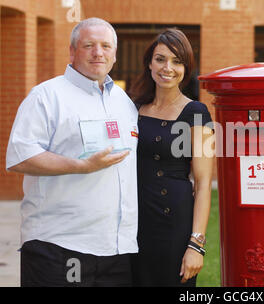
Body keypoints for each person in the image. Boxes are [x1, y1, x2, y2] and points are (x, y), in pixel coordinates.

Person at [6, 18, 139, 287]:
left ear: (114, 54)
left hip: (116, 249)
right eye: (89, 45)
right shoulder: (46, 96)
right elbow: (20, 155)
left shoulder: (123, 102)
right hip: (59, 246)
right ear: (72, 51)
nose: (98, 52)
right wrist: (81, 166)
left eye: (105, 46)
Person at [129, 28, 214, 287]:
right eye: (161, 59)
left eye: (177, 61)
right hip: (132, 223)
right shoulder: (132, 107)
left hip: (173, 226)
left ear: (186, 68)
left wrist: (196, 245)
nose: (168, 67)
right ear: (149, 63)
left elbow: (203, 183)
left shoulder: (198, 112)